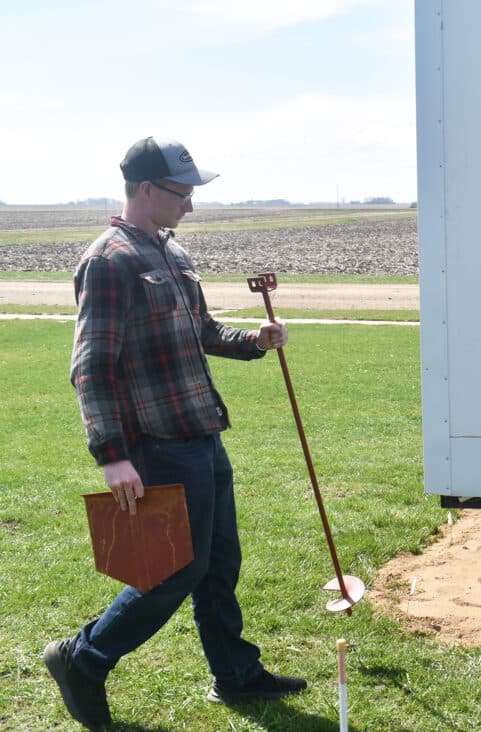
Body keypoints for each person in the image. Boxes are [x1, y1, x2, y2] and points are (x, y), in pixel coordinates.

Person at [44, 136, 305, 729]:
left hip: (201, 432)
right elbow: (91, 366)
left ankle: (235, 674)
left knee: (218, 561)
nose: (190, 204)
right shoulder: (109, 261)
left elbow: (203, 331)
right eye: (181, 192)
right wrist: (112, 456)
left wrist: (254, 341)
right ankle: (83, 658)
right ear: (145, 190)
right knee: (174, 568)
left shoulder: (172, 253)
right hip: (155, 444)